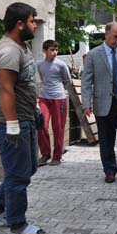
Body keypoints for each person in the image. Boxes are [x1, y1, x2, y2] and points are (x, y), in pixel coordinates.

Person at [0, 2, 47, 234]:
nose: (34, 25)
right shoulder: (9, 52)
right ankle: (18, 223)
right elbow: (6, 89)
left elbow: (25, 85)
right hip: (13, 123)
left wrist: (35, 109)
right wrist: (12, 126)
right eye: (31, 21)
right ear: (20, 24)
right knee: (18, 175)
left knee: (28, 168)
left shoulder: (22, 47)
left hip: (26, 118)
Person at [81, 22, 117, 184]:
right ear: (106, 35)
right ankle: (109, 171)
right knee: (106, 140)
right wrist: (86, 104)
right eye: (115, 37)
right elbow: (86, 81)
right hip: (103, 103)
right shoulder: (93, 55)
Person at [37, 39, 72, 167]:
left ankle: (57, 156)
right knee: (41, 125)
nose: (55, 52)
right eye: (52, 50)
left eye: (56, 50)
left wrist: (60, 90)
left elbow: (68, 80)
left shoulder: (61, 65)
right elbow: (42, 78)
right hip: (44, 98)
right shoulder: (39, 65)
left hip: (59, 99)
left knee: (58, 128)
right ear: (44, 51)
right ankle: (45, 153)